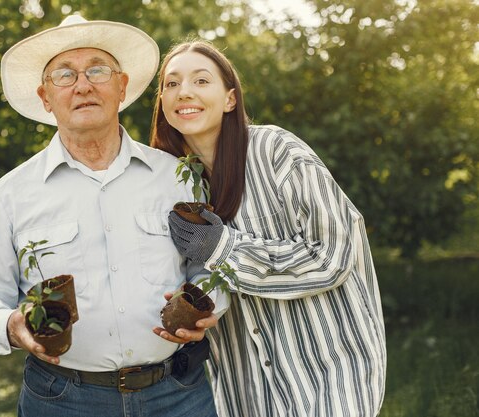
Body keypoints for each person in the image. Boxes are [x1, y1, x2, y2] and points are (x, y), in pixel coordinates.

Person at [0, 16, 219, 417]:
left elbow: (212, 266)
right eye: (64, 75)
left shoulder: (177, 177)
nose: (82, 85)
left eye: (97, 70)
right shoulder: (11, 194)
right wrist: (11, 324)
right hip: (62, 399)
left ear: (122, 86)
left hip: (177, 394)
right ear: (45, 97)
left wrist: (208, 303)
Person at [150, 40, 387, 417]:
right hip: (247, 392)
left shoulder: (276, 151)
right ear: (162, 101)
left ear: (230, 99)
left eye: (200, 80)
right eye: (172, 84)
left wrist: (224, 250)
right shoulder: (174, 185)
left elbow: (333, 255)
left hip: (328, 379)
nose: (185, 92)